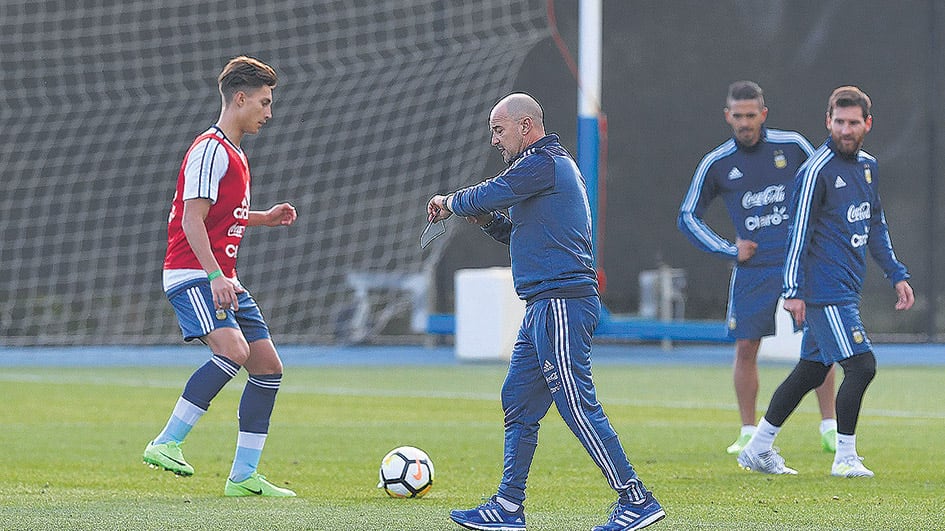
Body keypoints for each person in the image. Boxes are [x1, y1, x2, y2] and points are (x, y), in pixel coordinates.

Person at [428, 93, 664, 531]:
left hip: (561, 302)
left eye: (498, 130)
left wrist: (453, 201)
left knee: (574, 402)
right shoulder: (539, 169)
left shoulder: (543, 162)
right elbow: (517, 230)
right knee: (517, 400)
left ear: (524, 126)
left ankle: (636, 499)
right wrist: (487, 221)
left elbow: (492, 192)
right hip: (543, 305)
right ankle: (508, 506)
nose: (495, 140)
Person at [737, 86, 914, 477]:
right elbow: (796, 234)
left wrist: (896, 273)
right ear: (828, 122)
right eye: (839, 122)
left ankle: (758, 447)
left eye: (853, 122)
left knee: (811, 371)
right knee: (862, 365)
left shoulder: (868, 166)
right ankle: (845, 457)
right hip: (824, 290)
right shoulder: (815, 170)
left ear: (867, 123)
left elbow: (875, 225)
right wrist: (794, 290)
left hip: (846, 287)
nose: (845, 129)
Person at [142, 56, 298, 497]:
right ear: (241, 98)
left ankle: (244, 477)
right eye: (264, 103)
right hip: (192, 273)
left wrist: (262, 218)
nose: (269, 113)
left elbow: (221, 215)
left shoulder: (234, 153)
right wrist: (213, 275)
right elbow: (191, 221)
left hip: (221, 276)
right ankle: (166, 441)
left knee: (267, 368)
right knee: (233, 349)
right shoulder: (209, 149)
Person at [677, 81, 838, 455]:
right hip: (754, 269)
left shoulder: (793, 146)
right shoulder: (717, 163)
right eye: (739, 115)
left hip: (800, 262)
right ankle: (748, 430)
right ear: (727, 116)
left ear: (763, 114)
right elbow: (687, 215)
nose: (745, 122)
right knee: (747, 345)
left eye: (752, 115)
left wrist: (819, 240)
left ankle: (830, 426)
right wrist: (727, 248)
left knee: (820, 341)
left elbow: (825, 185)